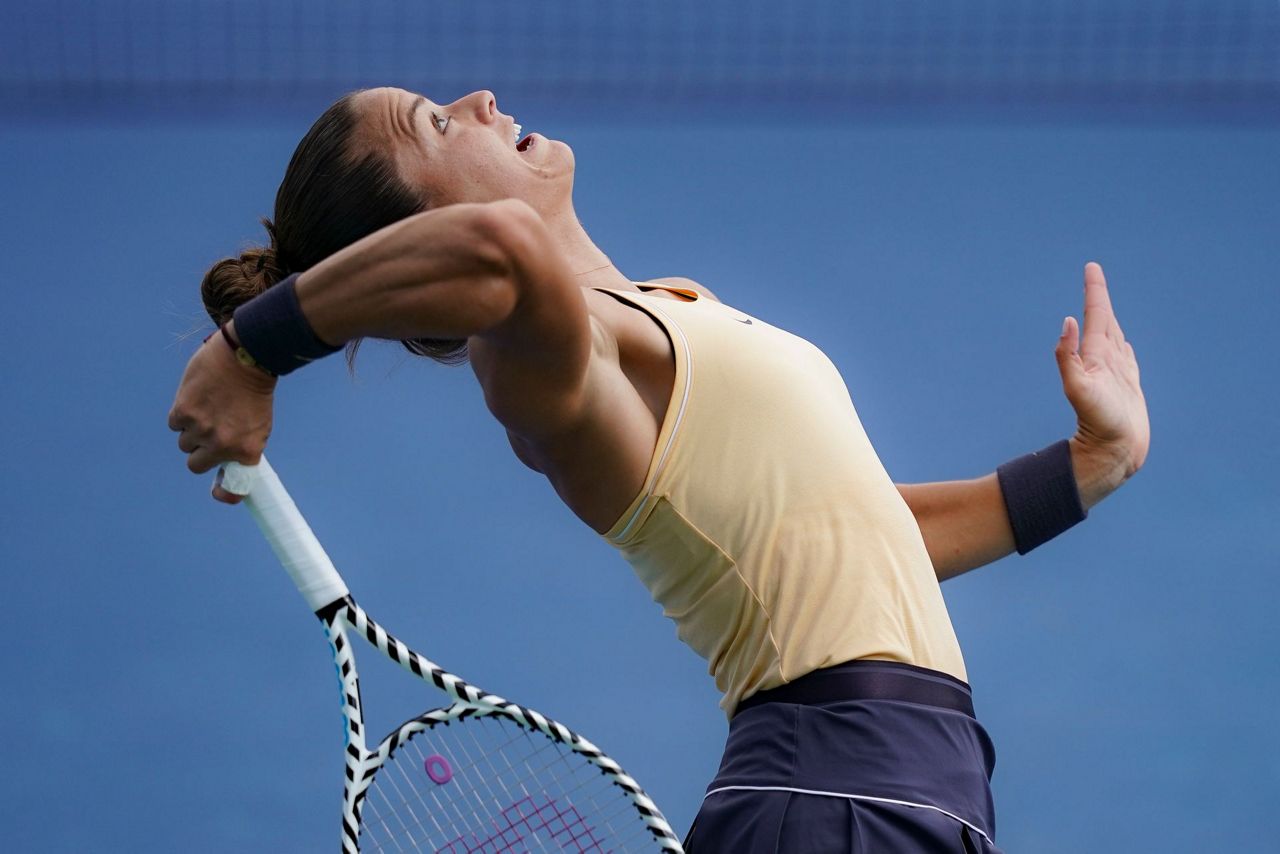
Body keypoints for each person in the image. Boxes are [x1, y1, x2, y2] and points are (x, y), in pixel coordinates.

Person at [168, 88, 1149, 852]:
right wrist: (247, 352)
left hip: (905, 789)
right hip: (831, 794)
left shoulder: (665, 309)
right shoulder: (544, 361)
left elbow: (857, 540)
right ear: (422, 225)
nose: (475, 99)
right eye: (434, 123)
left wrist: (1085, 467)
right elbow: (501, 249)